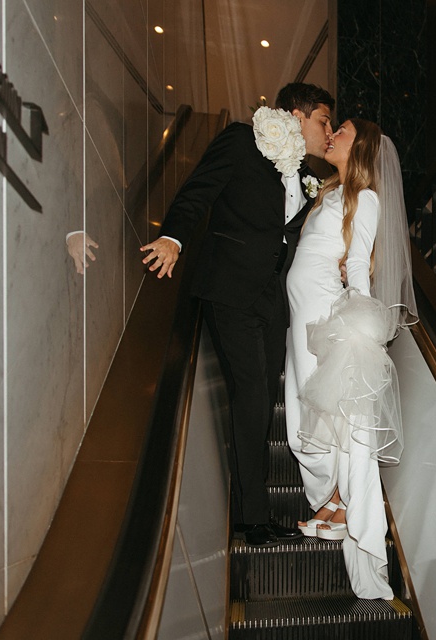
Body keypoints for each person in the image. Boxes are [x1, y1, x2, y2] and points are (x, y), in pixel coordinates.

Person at [140, 83, 334, 547]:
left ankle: (253, 514)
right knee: (250, 394)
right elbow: (199, 191)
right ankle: (252, 519)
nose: (327, 131)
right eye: (324, 120)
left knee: (262, 399)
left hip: (272, 302)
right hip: (230, 288)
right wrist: (174, 237)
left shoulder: (308, 175)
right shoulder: (242, 139)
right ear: (297, 114)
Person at [285, 119, 417, 599]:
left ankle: (344, 505)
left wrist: (361, 321)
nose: (332, 133)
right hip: (301, 316)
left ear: (358, 146)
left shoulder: (367, 197)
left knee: (335, 413)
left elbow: (359, 261)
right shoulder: (329, 191)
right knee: (308, 414)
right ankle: (334, 499)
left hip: (326, 314)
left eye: (340, 129)